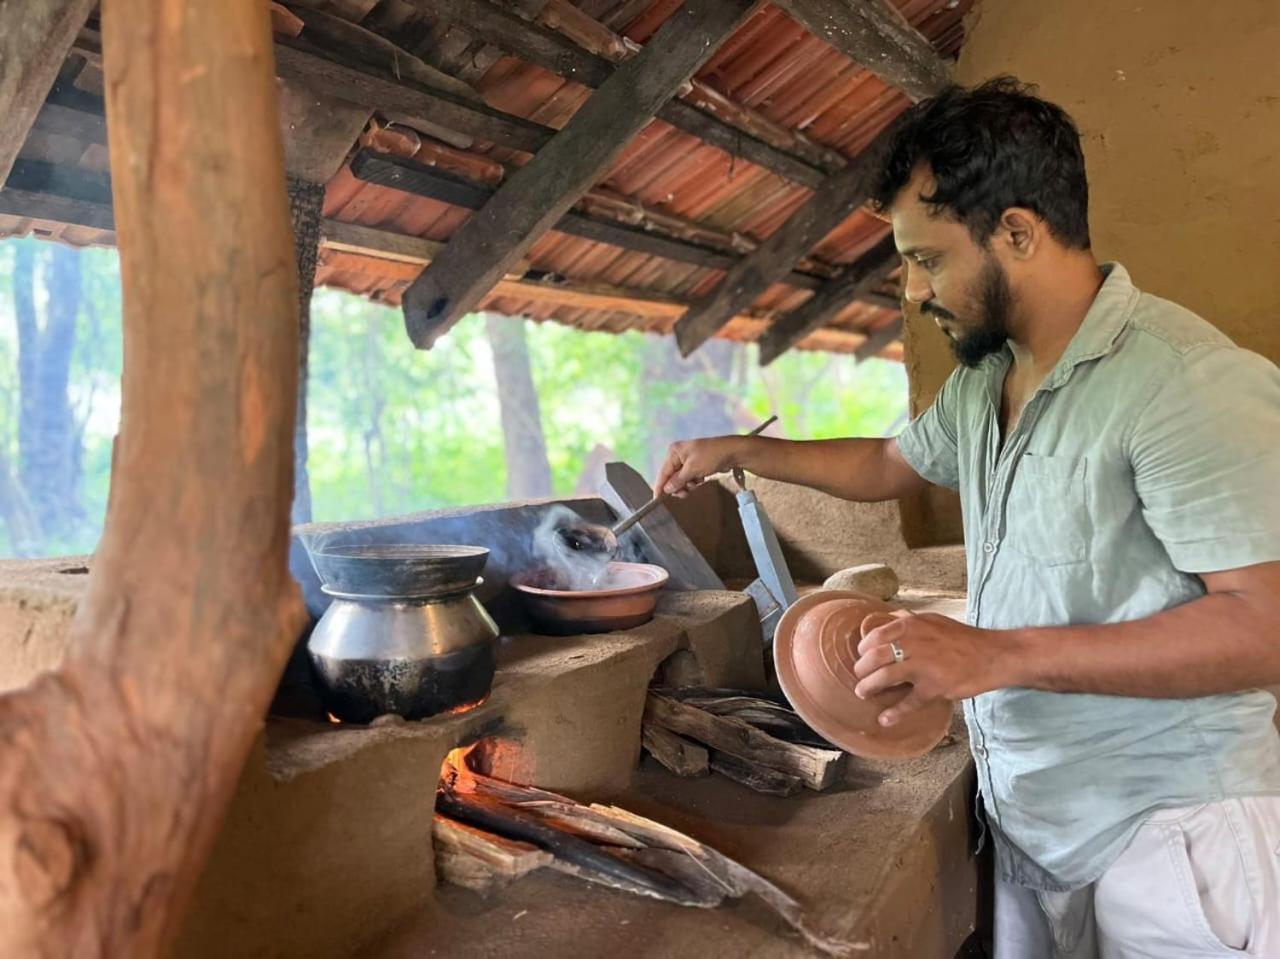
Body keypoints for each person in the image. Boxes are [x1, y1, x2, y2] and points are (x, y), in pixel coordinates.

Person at [654, 77, 1280, 958]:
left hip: (1175, 834)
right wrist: (744, 451)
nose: (912, 291)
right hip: (1035, 822)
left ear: (1018, 231)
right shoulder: (988, 381)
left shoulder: (1183, 382)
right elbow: (883, 463)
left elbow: (1263, 629)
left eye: (927, 258)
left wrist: (994, 654)